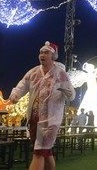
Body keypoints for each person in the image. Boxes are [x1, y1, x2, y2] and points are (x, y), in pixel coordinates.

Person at [9, 41, 75, 170]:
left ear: (53, 56)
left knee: (38, 153)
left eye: (46, 52)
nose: (42, 55)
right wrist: (16, 94)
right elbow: (22, 85)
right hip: (33, 119)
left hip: (50, 121)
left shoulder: (60, 74)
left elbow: (71, 95)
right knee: (45, 152)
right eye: (41, 52)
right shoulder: (33, 72)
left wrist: (67, 91)